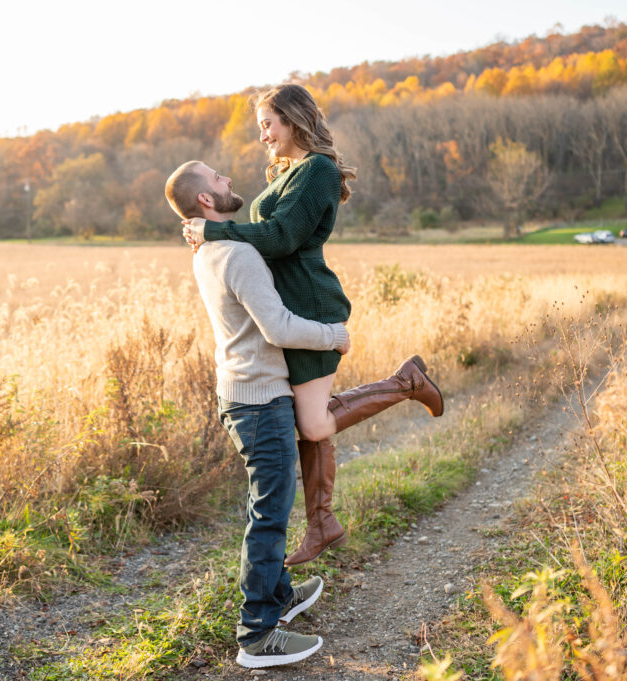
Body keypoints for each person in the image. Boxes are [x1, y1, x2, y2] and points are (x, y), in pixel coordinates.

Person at [181, 84, 444, 567]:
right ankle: (322, 523)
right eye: (260, 125)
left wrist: (214, 229)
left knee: (314, 421)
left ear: (293, 119)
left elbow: (281, 237)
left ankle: (407, 382)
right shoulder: (291, 173)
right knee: (311, 424)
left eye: (267, 123)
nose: (262, 135)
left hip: (312, 309)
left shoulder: (317, 171)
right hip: (292, 310)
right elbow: (266, 235)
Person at [165, 160, 346, 668]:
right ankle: (257, 634)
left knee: (264, 503)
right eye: (217, 178)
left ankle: (279, 594)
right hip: (260, 400)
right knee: (268, 513)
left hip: (243, 394)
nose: (226, 179)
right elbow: (279, 328)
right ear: (205, 200)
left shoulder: (208, 250)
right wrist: (333, 336)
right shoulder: (237, 253)